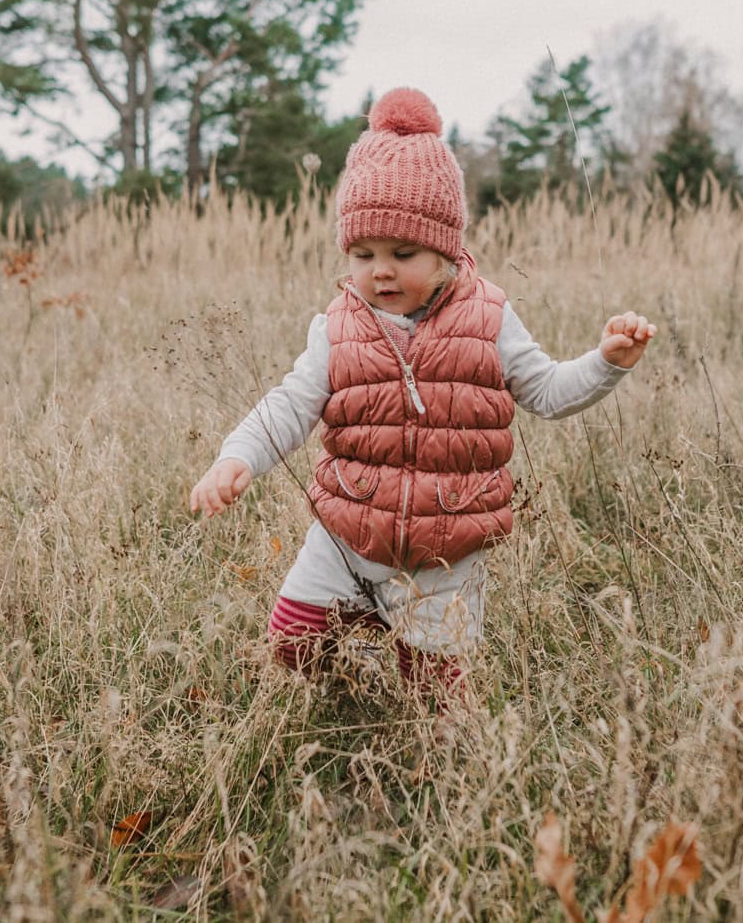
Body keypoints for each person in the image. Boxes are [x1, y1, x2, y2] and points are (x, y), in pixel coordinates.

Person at [190, 87, 655, 686]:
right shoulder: (337, 327)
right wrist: (236, 458)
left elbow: (548, 391)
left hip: (448, 543)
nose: (380, 270)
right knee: (293, 640)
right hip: (348, 531)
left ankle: (425, 724)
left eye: (402, 252)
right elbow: (288, 405)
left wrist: (607, 361)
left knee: (436, 694)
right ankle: (354, 675)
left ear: (445, 251)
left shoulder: (488, 318)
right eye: (363, 253)